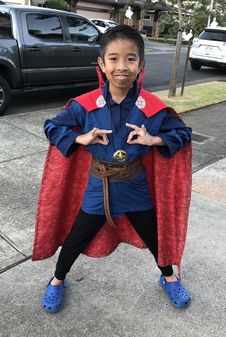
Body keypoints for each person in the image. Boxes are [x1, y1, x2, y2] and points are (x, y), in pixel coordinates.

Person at [32, 25, 192, 313]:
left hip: (135, 186)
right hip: (99, 185)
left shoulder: (152, 109)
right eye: (114, 59)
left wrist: (154, 139)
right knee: (76, 237)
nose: (122, 66)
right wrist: (80, 138)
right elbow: (52, 126)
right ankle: (57, 280)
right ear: (102, 64)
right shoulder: (84, 106)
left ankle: (168, 276)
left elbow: (183, 133)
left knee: (154, 237)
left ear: (140, 65)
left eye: (130, 59)